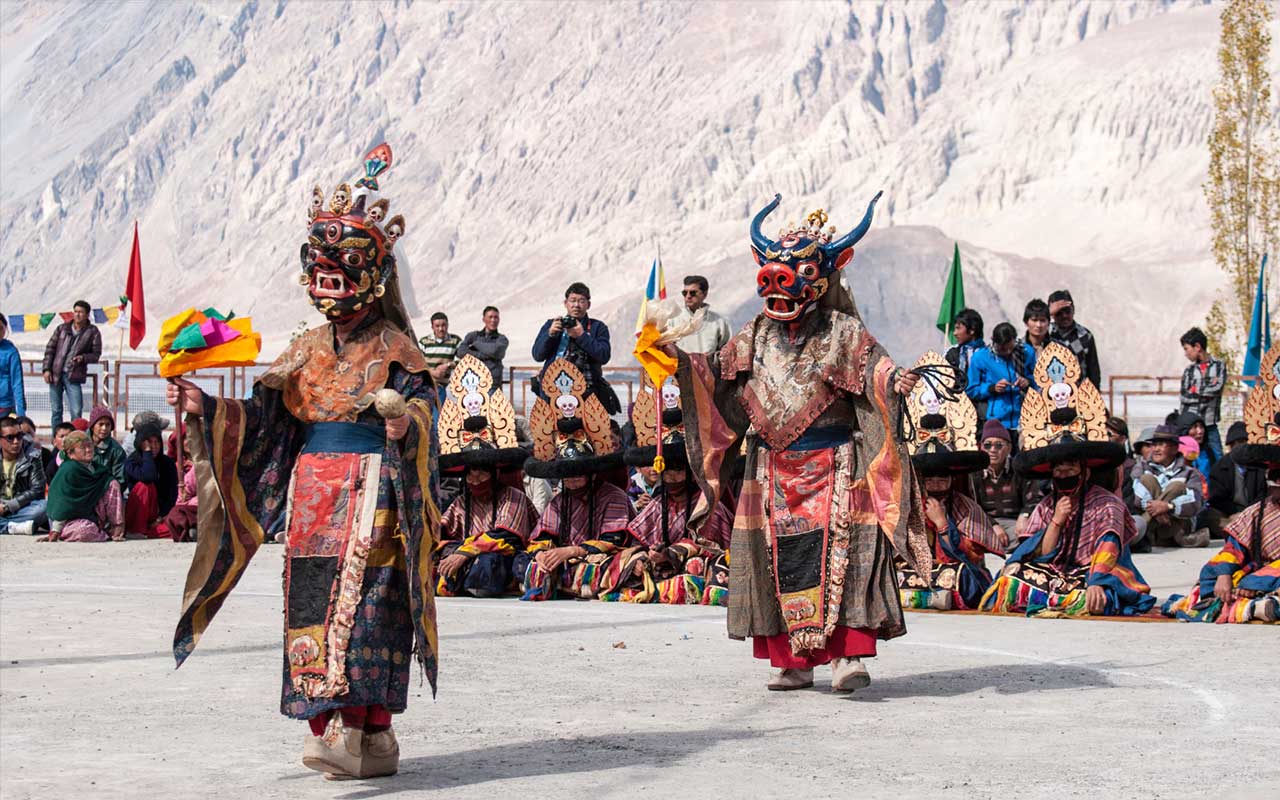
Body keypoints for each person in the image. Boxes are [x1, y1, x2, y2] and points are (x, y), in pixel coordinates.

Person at [166, 146, 438, 780]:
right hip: (313, 499)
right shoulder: (305, 347)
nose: (328, 274)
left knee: (371, 608)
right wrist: (208, 406)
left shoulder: (398, 347)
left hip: (376, 494)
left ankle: (369, 730)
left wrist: (406, 422)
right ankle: (338, 728)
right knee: (313, 606)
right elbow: (266, 420)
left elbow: (430, 408)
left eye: (344, 262)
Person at [670, 194, 929, 693]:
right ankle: (793, 661)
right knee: (775, 563)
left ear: (825, 278)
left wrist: (893, 380)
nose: (779, 285)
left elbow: (875, 366)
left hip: (836, 461)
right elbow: (718, 374)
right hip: (770, 467)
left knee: (849, 558)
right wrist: (678, 361)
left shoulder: (842, 329)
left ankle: (845, 658)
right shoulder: (755, 334)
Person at [982, 342, 1155, 617]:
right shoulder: (1047, 505)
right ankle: (1066, 598)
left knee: (1102, 593)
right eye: (1058, 469)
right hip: (1057, 572)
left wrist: (1097, 580)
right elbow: (1040, 553)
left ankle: (1081, 595)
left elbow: (1109, 546)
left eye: (1070, 467)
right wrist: (1057, 520)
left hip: (1095, 571)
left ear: (1084, 470)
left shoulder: (1106, 504)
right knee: (1012, 576)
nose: (1063, 474)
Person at [1163, 358, 1280, 624]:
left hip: (1269, 578)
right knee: (1212, 582)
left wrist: (1258, 580)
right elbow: (1233, 548)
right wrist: (1225, 573)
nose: (1276, 482)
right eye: (1274, 475)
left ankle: (1252, 606)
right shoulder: (1257, 511)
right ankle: (1249, 606)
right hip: (1257, 576)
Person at [516, 359, 635, 599]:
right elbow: (543, 534)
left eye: (578, 471)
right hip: (566, 559)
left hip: (597, 558)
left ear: (591, 471)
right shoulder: (560, 501)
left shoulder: (613, 495)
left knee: (611, 567)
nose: (571, 478)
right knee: (528, 566)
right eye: (566, 473)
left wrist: (569, 551)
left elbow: (613, 540)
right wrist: (543, 553)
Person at [899, 353, 1005, 610]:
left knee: (959, 578)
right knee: (894, 576)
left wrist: (943, 525)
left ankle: (930, 595)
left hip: (954, 571)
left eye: (942, 477)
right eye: (930, 477)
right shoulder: (908, 505)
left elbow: (972, 559)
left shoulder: (966, 508)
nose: (936, 483)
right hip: (918, 572)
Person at [617, 375, 733, 605]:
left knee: (696, 566)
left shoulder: (707, 503)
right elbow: (635, 541)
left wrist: (671, 553)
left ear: (690, 471)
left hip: (698, 563)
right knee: (632, 565)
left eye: (678, 470)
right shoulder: (658, 503)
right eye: (667, 470)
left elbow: (713, 546)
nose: (672, 476)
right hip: (662, 566)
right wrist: (644, 556)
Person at [434, 354, 536, 597]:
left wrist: (465, 552)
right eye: (471, 474)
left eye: (482, 473)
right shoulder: (461, 501)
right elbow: (444, 528)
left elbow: (506, 536)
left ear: (493, 472)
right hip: (465, 552)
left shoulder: (513, 497)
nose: (475, 480)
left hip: (498, 557)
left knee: (489, 563)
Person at [531, 282, 620, 414]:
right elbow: (537, 355)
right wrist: (550, 335)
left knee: (588, 431)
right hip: (552, 389)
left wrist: (582, 336)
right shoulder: (553, 324)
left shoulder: (597, 327)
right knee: (552, 431)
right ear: (565, 303)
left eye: (581, 301)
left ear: (588, 305)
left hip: (587, 390)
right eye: (572, 301)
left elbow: (604, 355)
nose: (576, 305)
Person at [1132, 425, 1208, 548]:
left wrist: (1169, 506)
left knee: (1177, 486)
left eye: (1161, 445)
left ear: (1174, 448)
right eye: (1154, 445)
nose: (1156, 449)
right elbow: (1135, 492)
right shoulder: (1142, 467)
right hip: (1153, 526)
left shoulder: (1189, 472)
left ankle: (1140, 534)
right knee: (1147, 479)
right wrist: (1157, 509)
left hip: (1176, 524)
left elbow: (1196, 501)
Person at [43, 430, 123, 542]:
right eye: (83, 447)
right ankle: (102, 534)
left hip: (93, 517)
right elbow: (61, 503)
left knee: (112, 484)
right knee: (84, 531)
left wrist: (117, 523)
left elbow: (107, 488)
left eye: (90, 446)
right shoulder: (68, 470)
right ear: (70, 453)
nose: (89, 450)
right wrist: (55, 530)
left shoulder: (97, 469)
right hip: (68, 521)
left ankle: (115, 529)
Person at [973, 420, 1040, 550]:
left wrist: (1024, 515)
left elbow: (1035, 498)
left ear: (1009, 448)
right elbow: (972, 506)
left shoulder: (1019, 469)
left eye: (999, 445)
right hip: (985, 522)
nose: (993, 450)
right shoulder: (974, 473)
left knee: (1032, 532)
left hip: (1015, 523)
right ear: (980, 447)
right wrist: (993, 525)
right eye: (987, 445)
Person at [965, 322, 1035, 439]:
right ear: (993, 340)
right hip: (996, 420)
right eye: (1002, 349)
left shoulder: (1026, 352)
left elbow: (1038, 378)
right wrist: (991, 388)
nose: (1007, 352)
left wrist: (1027, 381)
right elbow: (971, 389)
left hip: (1024, 417)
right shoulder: (981, 358)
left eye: (1010, 348)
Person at [41, 300, 102, 428]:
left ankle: (75, 440)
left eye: (81, 312)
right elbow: (50, 349)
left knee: (76, 410)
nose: (77, 315)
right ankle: (56, 440)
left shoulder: (92, 332)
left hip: (74, 375)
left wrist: (83, 358)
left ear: (87, 315)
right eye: (75, 311)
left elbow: (96, 354)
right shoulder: (62, 329)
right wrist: (46, 369)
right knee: (56, 411)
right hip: (56, 374)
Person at [1205, 421, 1267, 539]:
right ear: (1230, 446)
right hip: (1229, 514)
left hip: (1253, 513)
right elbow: (1217, 499)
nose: (1241, 447)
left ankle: (1243, 532)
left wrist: (1246, 514)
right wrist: (1235, 514)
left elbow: (1262, 495)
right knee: (1212, 515)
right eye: (1237, 443)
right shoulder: (1220, 467)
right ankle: (1242, 533)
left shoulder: (1260, 466)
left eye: (1244, 442)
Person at [123, 423, 179, 538]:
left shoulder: (167, 463)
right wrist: (147, 453)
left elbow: (172, 495)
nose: (154, 446)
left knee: (177, 526)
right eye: (149, 443)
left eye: (156, 442)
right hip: (138, 512)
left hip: (158, 515)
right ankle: (137, 530)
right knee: (146, 486)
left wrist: (160, 518)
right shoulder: (132, 462)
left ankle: (148, 532)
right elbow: (149, 477)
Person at [1178, 327, 1225, 459]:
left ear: (1197, 347)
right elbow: (1184, 396)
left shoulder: (1219, 366)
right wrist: (1206, 391)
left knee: (1218, 458)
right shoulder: (1189, 370)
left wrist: (1195, 390)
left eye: (1187, 349)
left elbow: (1216, 389)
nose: (1186, 353)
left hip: (1209, 423)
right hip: (1190, 427)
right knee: (1189, 457)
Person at [0, 416, 47, 535]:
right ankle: (13, 527)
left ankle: (6, 526)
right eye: (10, 438)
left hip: (22, 507)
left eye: (19, 436)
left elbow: (38, 489)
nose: (16, 442)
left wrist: (8, 506)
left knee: (44, 507)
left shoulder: (33, 456)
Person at [1047, 289, 1100, 388]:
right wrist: (1046, 313)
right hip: (1051, 397)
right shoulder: (1046, 334)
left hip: (1078, 397)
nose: (1064, 316)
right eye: (1059, 313)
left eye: (1067, 311)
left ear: (1073, 309)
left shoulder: (1085, 336)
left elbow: (1094, 372)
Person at [674, 275, 732, 354]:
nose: (688, 296)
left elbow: (727, 353)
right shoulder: (674, 320)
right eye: (684, 293)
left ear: (704, 294)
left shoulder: (719, 323)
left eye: (692, 293)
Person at [454, 306, 509, 389]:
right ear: (484, 319)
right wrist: (484, 355)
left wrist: (476, 344)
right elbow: (460, 352)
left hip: (492, 385)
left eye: (496, 317)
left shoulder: (501, 339)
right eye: (490, 317)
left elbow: (495, 351)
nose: (493, 320)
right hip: (472, 384)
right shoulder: (472, 336)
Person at [419, 312, 461, 403]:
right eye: (437, 326)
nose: (441, 329)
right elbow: (417, 362)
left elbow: (464, 360)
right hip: (425, 385)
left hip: (442, 385)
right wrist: (432, 372)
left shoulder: (455, 341)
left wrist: (448, 365)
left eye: (443, 325)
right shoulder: (424, 342)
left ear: (448, 325)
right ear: (432, 327)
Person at [87, 405, 125, 486]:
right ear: (92, 426)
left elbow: (120, 479)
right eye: (100, 424)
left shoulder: (116, 450)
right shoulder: (80, 443)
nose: (104, 428)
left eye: (108, 425)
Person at [944, 307, 985, 379]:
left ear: (972, 330)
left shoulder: (987, 355)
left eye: (958, 328)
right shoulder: (951, 353)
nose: (954, 333)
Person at [0, 314, 25, 417]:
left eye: (1, 328)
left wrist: (21, 412)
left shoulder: (11, 351)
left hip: (4, 405)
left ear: (5, 329)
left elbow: (17, 382)